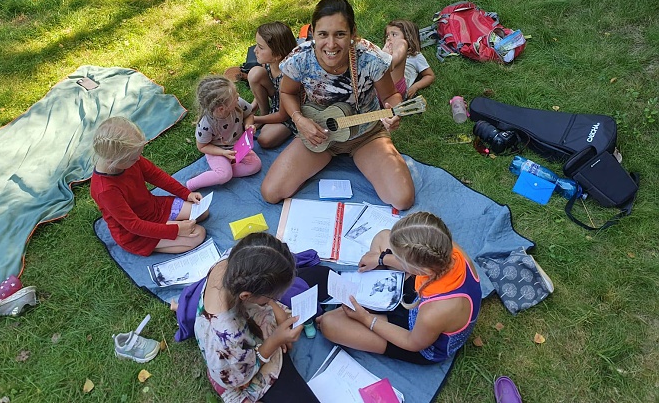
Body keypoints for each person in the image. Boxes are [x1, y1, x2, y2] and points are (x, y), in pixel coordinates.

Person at [260, 0, 415, 210]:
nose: (331, 44)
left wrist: (393, 112)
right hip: (319, 133)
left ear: (353, 33)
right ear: (313, 32)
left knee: (402, 198)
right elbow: (287, 92)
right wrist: (299, 120)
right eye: (323, 34)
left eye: (340, 34)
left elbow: (390, 96)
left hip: (365, 135)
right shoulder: (300, 58)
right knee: (271, 192)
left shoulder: (370, 58)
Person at [316, 212, 481, 364]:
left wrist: (366, 319)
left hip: (416, 338)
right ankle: (369, 304)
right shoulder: (444, 246)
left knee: (329, 324)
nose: (394, 257)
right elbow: (414, 261)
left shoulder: (434, 312)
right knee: (383, 237)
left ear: (421, 269)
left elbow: (412, 342)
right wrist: (381, 258)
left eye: (400, 259)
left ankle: (368, 309)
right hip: (420, 299)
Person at [193, 233, 323, 403]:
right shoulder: (227, 338)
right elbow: (242, 376)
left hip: (244, 324)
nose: (278, 298)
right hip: (235, 367)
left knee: (322, 275)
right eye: (274, 295)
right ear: (247, 296)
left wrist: (274, 306)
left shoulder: (234, 262)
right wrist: (275, 340)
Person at [91, 117, 207, 256]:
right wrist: (176, 230)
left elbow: (156, 175)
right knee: (198, 234)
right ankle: (151, 246)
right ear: (114, 161)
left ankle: (170, 227)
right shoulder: (106, 191)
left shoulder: (130, 158)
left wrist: (186, 193)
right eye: (134, 157)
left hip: (153, 208)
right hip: (136, 234)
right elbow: (133, 225)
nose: (138, 159)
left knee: (202, 211)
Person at [186, 75, 261, 191]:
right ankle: (190, 184)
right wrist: (223, 153)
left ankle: (218, 173)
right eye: (234, 96)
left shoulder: (238, 104)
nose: (238, 96)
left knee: (255, 165)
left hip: (238, 146)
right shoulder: (206, 124)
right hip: (217, 151)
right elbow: (202, 146)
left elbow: (249, 115)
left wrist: (248, 125)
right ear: (222, 108)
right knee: (224, 175)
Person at [247, 22, 299, 149]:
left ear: (276, 55)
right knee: (254, 73)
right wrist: (253, 107)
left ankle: (266, 119)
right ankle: (265, 113)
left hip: (289, 114)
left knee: (265, 139)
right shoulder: (269, 63)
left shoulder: (288, 77)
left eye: (260, 47)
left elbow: (283, 115)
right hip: (277, 101)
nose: (255, 50)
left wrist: (255, 119)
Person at [384, 19, 435, 99]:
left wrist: (416, 86)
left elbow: (430, 75)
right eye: (387, 35)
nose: (389, 38)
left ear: (407, 37)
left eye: (394, 35)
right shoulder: (387, 52)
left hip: (396, 88)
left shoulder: (415, 56)